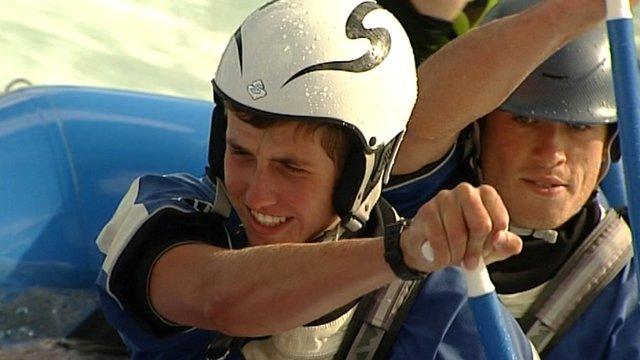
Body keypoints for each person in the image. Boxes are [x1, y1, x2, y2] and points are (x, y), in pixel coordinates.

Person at [95, 0, 533, 359]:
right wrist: (402, 253)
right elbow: (219, 299)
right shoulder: (162, 216)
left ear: (361, 176)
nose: (257, 194)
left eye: (291, 167)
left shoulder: (449, 310)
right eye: (240, 152)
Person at [383, 0, 640, 358]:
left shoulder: (626, 288)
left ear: (607, 149)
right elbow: (423, 115)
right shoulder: (420, 196)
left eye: (579, 127)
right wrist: (584, 8)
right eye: (524, 121)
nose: (551, 154)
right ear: (478, 128)